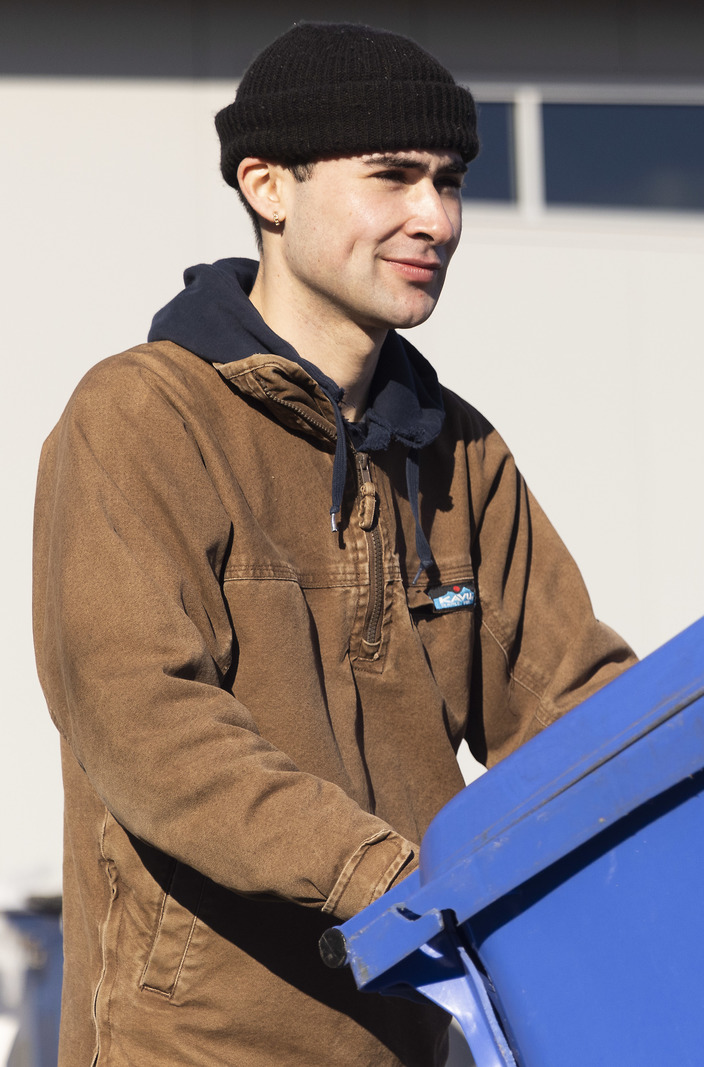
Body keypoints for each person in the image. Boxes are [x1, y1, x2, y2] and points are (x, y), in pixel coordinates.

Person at [32, 22, 634, 1066]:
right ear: (268, 185)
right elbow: (148, 722)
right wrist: (392, 882)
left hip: (412, 1034)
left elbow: (571, 706)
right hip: (194, 1044)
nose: (434, 217)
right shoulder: (141, 415)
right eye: (393, 176)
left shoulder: (462, 450)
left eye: (449, 182)